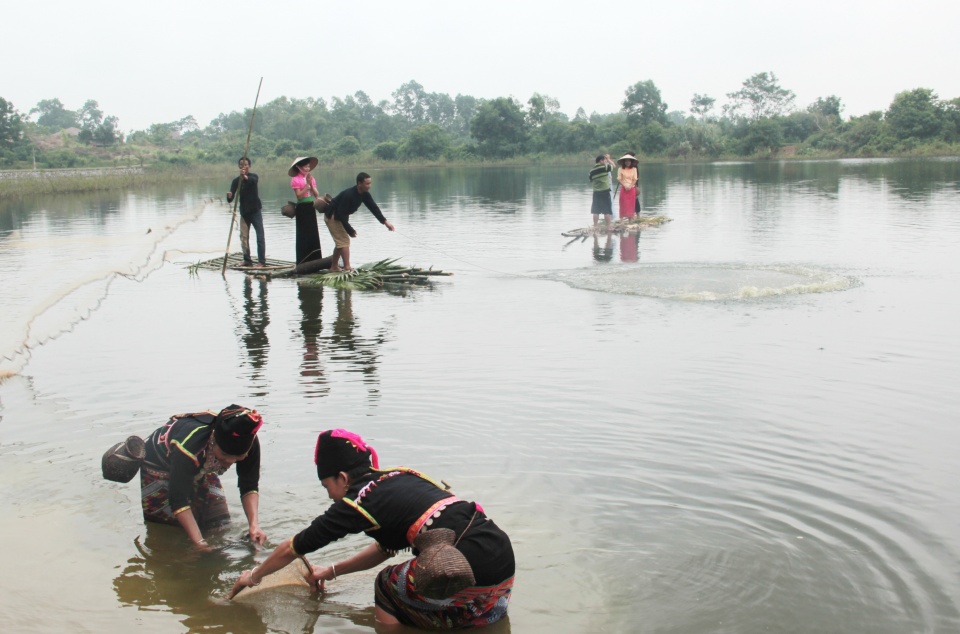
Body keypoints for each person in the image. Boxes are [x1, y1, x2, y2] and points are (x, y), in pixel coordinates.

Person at [230, 429, 515, 629]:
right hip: (502, 558)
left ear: (342, 477)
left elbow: (292, 547)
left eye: (327, 486)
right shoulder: (400, 476)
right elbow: (384, 548)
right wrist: (328, 571)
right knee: (411, 574)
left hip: (464, 563)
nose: (330, 495)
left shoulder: (356, 502)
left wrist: (253, 576)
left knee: (386, 584)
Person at [140, 405, 266, 549]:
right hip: (159, 466)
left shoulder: (249, 441)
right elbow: (178, 500)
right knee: (173, 535)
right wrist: (199, 542)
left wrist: (254, 525)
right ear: (213, 441)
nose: (230, 461)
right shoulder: (190, 446)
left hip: (203, 463)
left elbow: (249, 485)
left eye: (238, 457)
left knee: (219, 525)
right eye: (224, 455)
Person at [323, 172, 395, 271]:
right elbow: (340, 214)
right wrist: (350, 230)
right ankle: (347, 267)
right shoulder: (349, 195)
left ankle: (334, 267)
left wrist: (386, 222)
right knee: (344, 241)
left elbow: (374, 208)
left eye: (370, 183)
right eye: (367, 184)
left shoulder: (364, 194)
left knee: (341, 242)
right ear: (359, 184)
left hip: (340, 216)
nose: (369, 186)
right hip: (333, 216)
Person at [226, 156, 266, 267]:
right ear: (239, 166)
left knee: (260, 236)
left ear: (249, 166)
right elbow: (231, 198)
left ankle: (261, 261)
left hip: (255, 211)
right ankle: (247, 260)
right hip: (244, 212)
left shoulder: (253, 177)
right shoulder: (236, 181)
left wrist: (245, 177)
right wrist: (229, 196)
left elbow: (252, 182)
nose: (244, 166)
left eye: (246, 165)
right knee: (244, 237)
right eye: (241, 165)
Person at [289, 156, 323, 265]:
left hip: (310, 206)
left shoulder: (311, 178)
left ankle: (315, 258)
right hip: (302, 208)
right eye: (305, 167)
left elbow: (317, 194)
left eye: (308, 167)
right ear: (299, 167)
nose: (308, 169)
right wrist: (307, 185)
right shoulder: (296, 179)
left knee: (313, 233)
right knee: (303, 234)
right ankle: (303, 260)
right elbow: (299, 196)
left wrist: (311, 185)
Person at [590, 153, 616, 230]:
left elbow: (591, 179)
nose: (605, 161)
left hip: (596, 192)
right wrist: (609, 159)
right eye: (604, 160)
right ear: (601, 161)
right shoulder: (605, 167)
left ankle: (595, 226)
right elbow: (614, 166)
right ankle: (609, 227)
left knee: (596, 211)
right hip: (605, 192)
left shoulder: (592, 171)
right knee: (607, 210)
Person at [617, 154, 640, 219]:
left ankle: (630, 220)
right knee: (622, 203)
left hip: (631, 188)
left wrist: (630, 186)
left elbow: (635, 179)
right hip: (623, 188)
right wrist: (625, 186)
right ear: (624, 162)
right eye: (626, 161)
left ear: (631, 162)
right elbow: (619, 179)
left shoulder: (634, 169)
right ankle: (621, 220)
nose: (627, 162)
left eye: (629, 161)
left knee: (631, 205)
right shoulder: (620, 169)